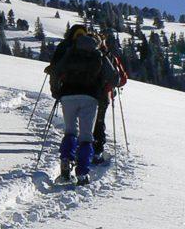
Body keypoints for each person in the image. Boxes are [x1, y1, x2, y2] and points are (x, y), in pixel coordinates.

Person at [45, 30, 118, 185]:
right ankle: (82, 174)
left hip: (67, 96)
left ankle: (66, 160)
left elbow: (55, 71)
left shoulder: (71, 51)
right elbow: (114, 77)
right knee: (86, 137)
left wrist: (56, 91)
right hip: (90, 98)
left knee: (70, 131)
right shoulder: (99, 55)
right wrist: (104, 87)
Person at [92, 35, 129, 164]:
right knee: (99, 122)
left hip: (87, 93)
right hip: (104, 95)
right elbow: (122, 78)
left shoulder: (86, 53)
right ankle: (97, 151)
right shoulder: (111, 57)